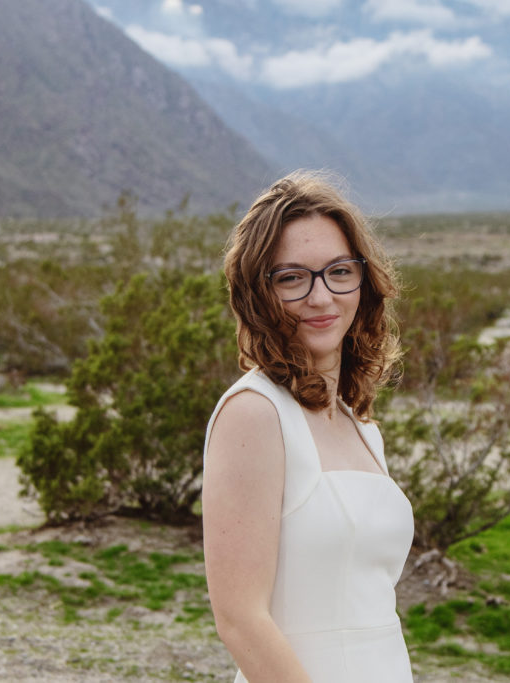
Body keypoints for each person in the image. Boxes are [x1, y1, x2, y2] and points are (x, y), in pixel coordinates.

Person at [202, 171, 415, 682]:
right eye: (293, 278)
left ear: (363, 281)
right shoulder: (254, 414)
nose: (321, 298)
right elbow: (239, 618)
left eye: (339, 271)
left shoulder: (359, 425)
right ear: (260, 294)